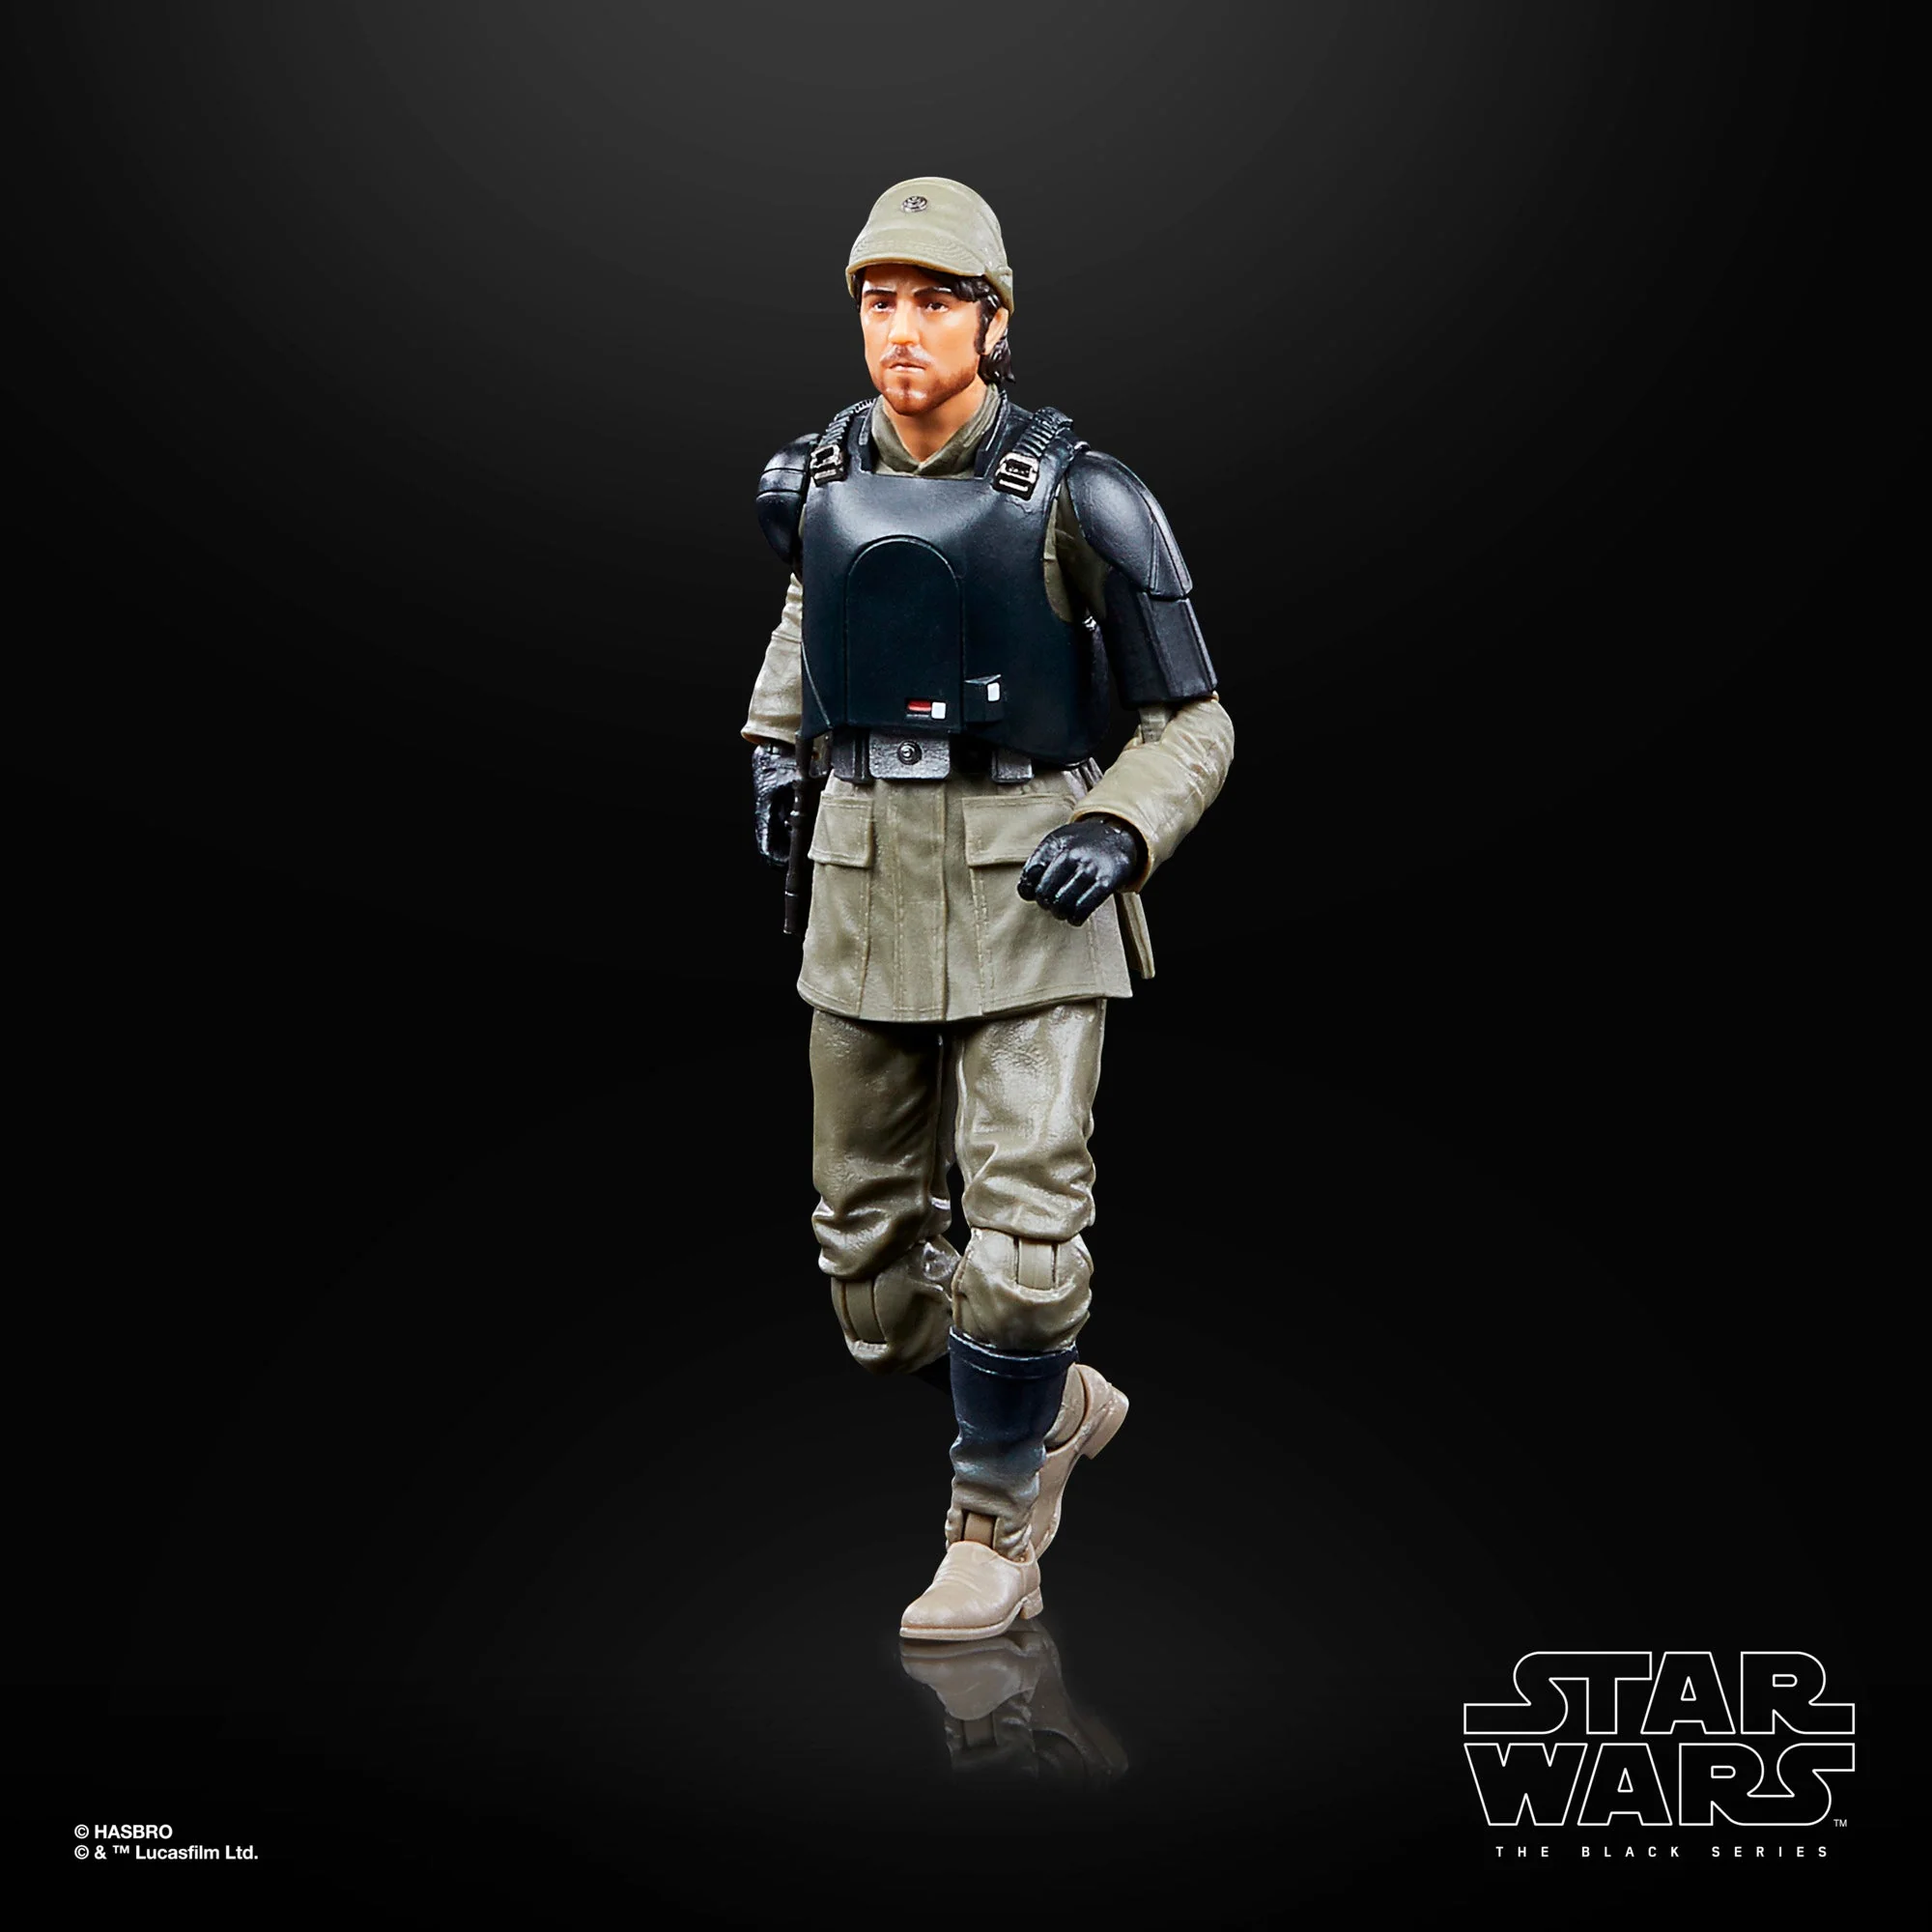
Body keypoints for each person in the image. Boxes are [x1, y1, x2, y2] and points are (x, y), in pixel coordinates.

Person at [744, 177, 1233, 1642]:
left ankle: (992, 1519)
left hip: (1030, 880)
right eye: (879, 301)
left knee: (1024, 1247)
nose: (902, 330)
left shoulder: (1084, 495)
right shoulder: (820, 479)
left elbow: (1196, 719)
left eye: (935, 300)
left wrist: (1120, 822)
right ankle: (1048, 1396)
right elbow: (809, 618)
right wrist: (772, 746)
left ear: (995, 319)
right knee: (869, 1279)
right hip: (863, 880)